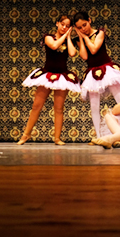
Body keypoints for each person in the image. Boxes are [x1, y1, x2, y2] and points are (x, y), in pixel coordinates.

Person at [73, 10, 120, 139]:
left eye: (84, 25)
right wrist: (81, 38)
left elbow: (94, 49)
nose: (83, 29)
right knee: (94, 105)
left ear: (89, 20)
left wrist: (85, 37)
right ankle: (98, 136)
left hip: (108, 70)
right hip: (92, 72)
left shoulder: (100, 32)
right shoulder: (79, 39)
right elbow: (84, 56)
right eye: (79, 28)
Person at [18, 14, 80, 145]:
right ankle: (26, 134)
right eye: (62, 24)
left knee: (59, 108)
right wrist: (65, 35)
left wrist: (68, 37)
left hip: (62, 76)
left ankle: (57, 138)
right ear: (57, 23)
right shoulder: (48, 37)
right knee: (36, 106)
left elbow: (72, 53)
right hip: (47, 75)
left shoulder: (68, 40)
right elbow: (54, 46)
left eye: (67, 26)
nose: (64, 27)